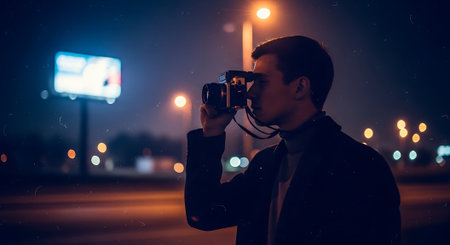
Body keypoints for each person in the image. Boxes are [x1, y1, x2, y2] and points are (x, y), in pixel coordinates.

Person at [184, 36, 401, 245]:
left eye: (262, 82)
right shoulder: (265, 164)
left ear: (300, 87)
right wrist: (211, 135)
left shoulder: (360, 166)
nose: (251, 94)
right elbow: (203, 213)